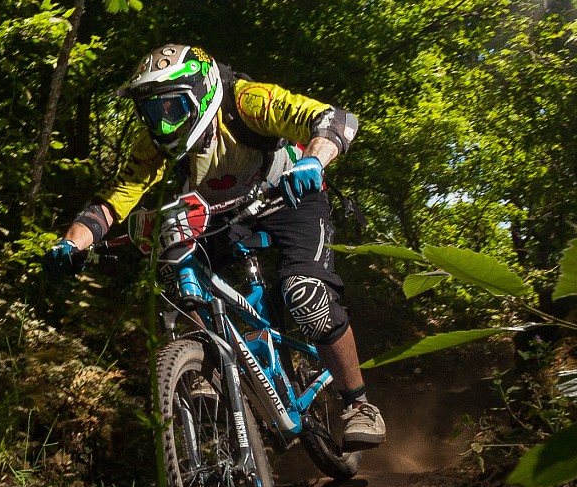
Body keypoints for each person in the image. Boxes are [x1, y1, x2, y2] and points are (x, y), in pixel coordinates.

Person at [45, 44, 385, 449]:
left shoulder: (247, 101)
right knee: (177, 267)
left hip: (290, 196)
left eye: (171, 108)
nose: (162, 123)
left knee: (305, 294)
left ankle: (358, 403)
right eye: (152, 112)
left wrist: (313, 160)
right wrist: (70, 245)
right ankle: (204, 367)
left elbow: (332, 119)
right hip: (221, 211)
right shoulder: (153, 144)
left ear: (201, 91)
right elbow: (112, 201)